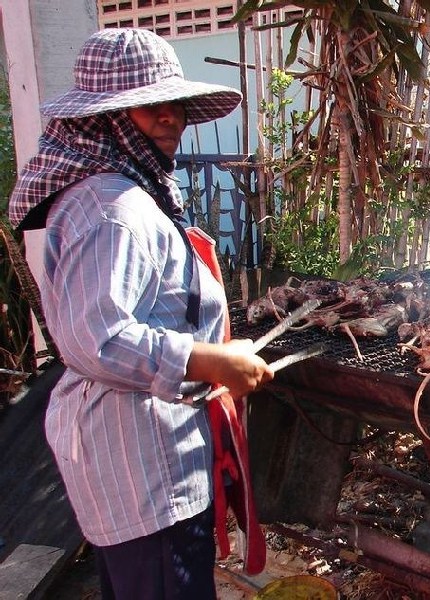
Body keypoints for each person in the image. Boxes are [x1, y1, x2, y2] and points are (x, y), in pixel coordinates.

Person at [7, 28, 273, 599]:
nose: (170, 118)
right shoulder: (112, 207)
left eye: (173, 104)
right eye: (149, 107)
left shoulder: (122, 192)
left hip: (140, 463)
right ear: (107, 120)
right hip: (143, 473)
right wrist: (206, 360)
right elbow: (95, 339)